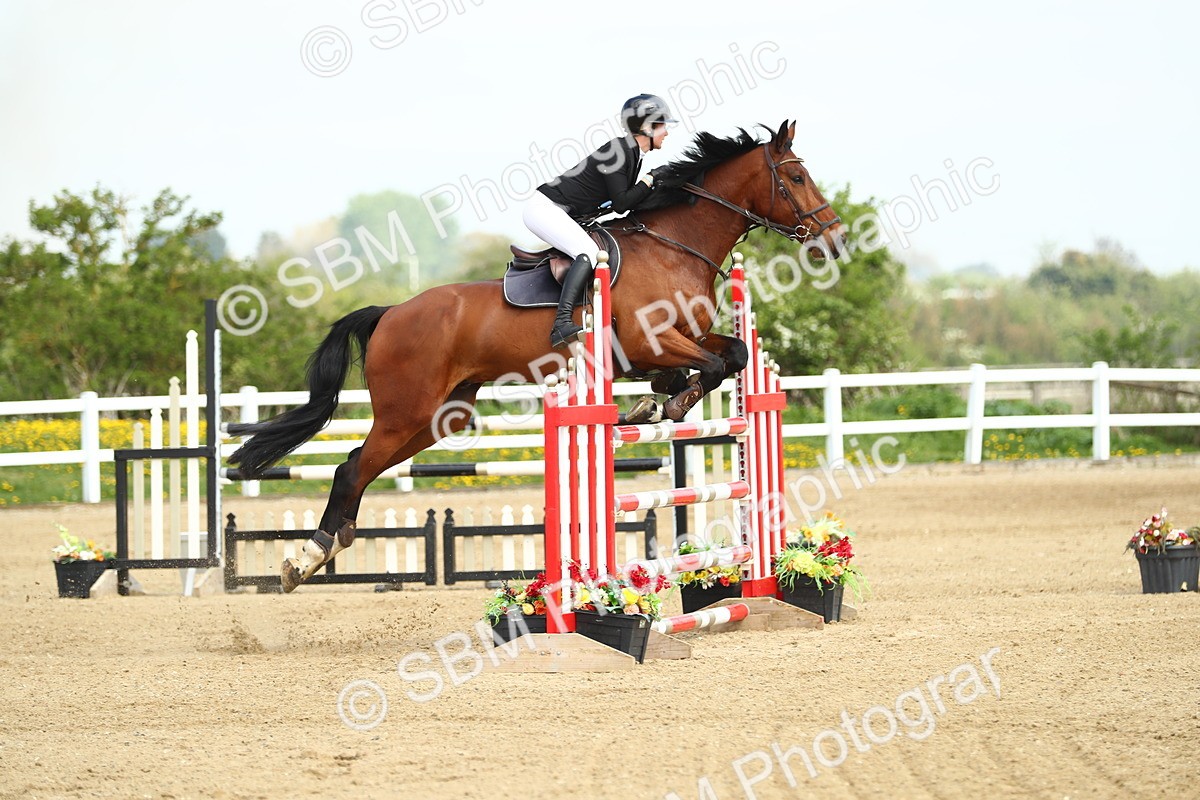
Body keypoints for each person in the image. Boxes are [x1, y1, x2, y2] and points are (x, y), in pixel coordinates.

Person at [523, 93, 678, 347]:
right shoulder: (618, 151)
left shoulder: (633, 153)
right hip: (545, 209)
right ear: (647, 127)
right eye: (662, 126)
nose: (666, 133)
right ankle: (561, 324)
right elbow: (621, 203)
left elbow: (629, 203)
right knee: (589, 252)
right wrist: (649, 180)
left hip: (562, 211)